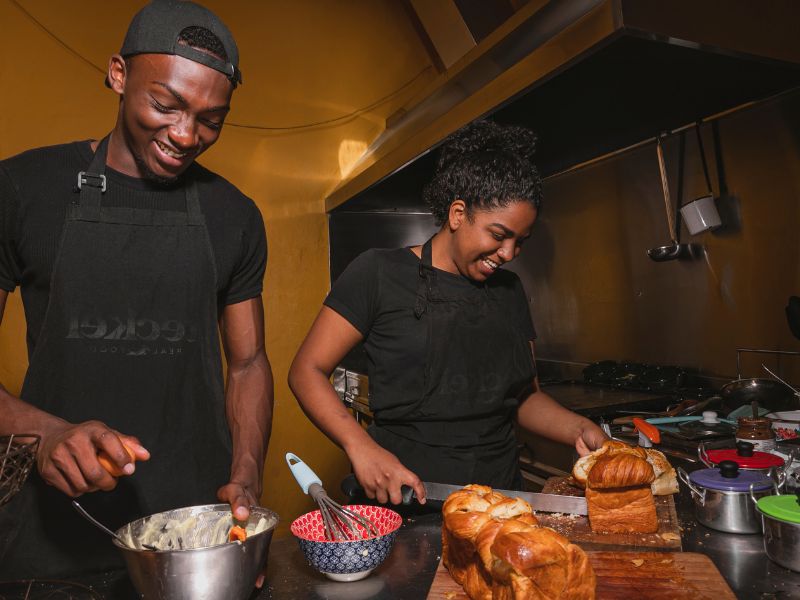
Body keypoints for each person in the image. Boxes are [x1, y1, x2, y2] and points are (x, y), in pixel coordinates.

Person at [0, 0, 273, 580]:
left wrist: (247, 469)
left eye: (211, 120)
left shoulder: (235, 216)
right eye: (165, 104)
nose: (185, 134)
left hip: (194, 538)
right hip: (52, 540)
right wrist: (46, 434)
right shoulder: (23, 190)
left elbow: (248, 363)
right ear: (119, 75)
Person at [289, 120, 607, 505]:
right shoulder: (378, 273)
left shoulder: (509, 291)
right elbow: (306, 371)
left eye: (520, 242)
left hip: (500, 500)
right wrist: (360, 447)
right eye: (498, 235)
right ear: (458, 214)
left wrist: (580, 426)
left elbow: (523, 398)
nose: (508, 255)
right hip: (407, 499)